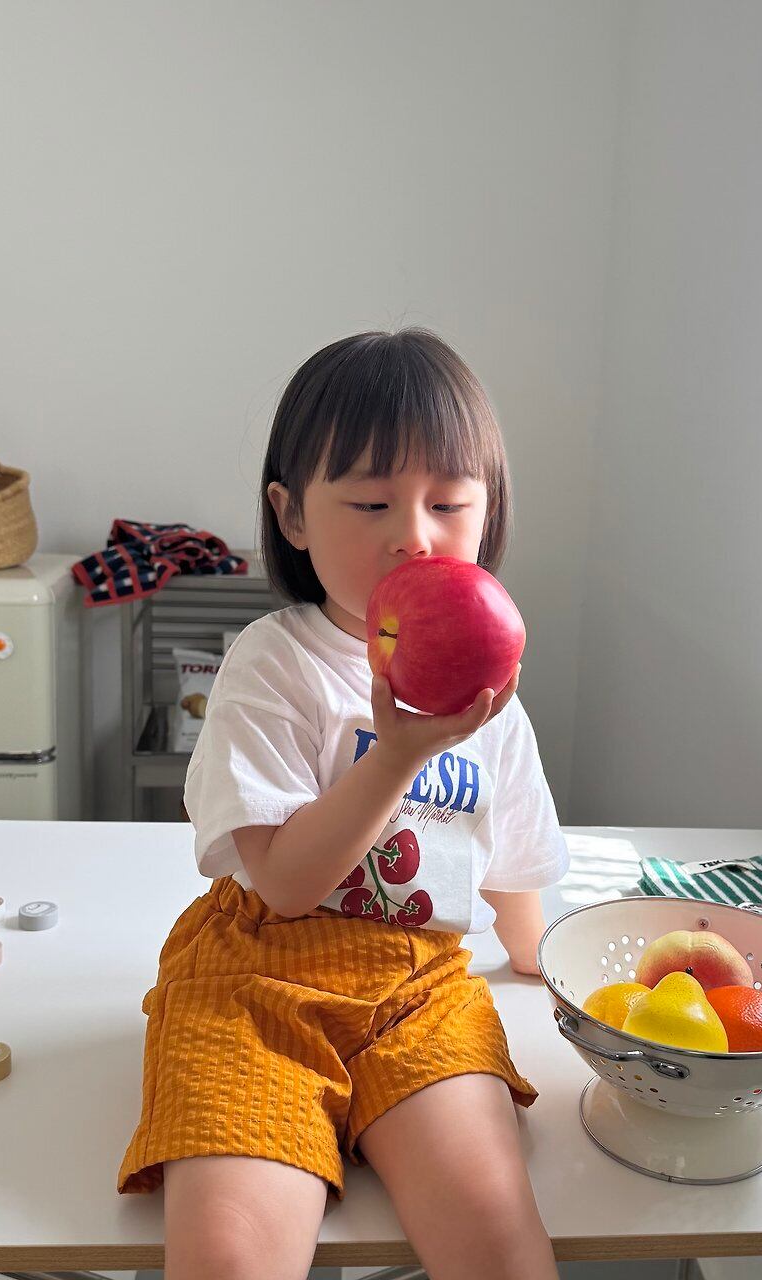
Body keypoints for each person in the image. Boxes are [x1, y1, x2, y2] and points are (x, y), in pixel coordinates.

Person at [117, 327, 569, 1279]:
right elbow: (284, 884)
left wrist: (551, 967)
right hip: (257, 983)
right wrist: (396, 756)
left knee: (501, 1245)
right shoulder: (272, 664)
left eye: (449, 504)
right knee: (231, 1261)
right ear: (291, 515)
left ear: (488, 512)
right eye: (370, 503)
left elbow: (512, 863)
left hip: (418, 989)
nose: (414, 535)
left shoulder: (488, 692)